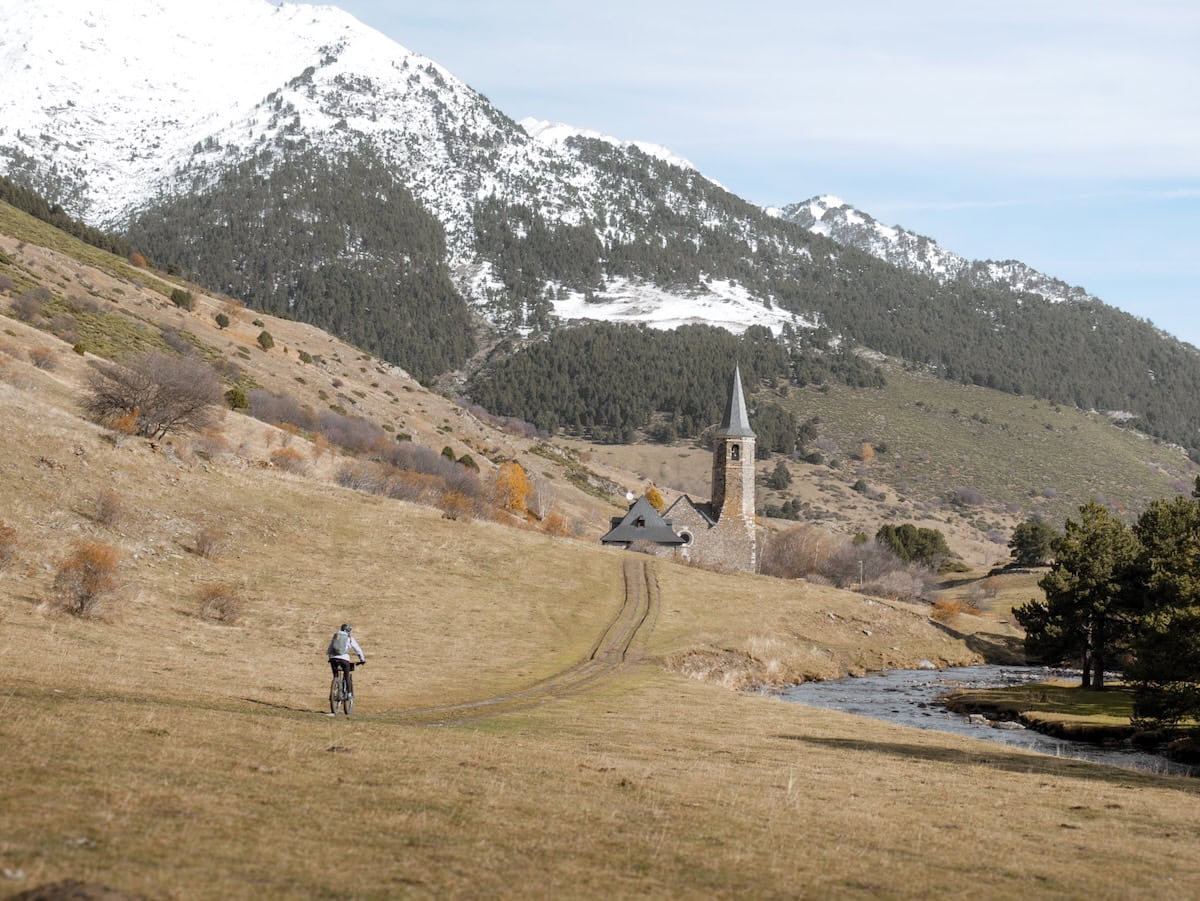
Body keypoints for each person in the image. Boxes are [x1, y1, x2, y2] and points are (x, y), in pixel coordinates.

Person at [327, 623, 366, 698]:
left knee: (335, 675)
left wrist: (330, 657)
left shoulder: (336, 636)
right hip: (344, 659)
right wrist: (362, 659)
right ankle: (349, 694)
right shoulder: (349, 638)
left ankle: (333, 694)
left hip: (333, 658)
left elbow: (330, 648)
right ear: (349, 630)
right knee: (347, 676)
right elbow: (358, 649)